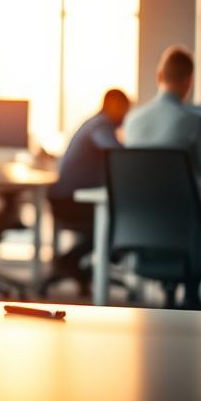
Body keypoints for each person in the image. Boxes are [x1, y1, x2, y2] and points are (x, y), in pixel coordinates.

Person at [123, 45, 201, 310]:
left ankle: (193, 295)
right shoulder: (195, 123)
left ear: (159, 75)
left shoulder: (132, 122)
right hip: (186, 237)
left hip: (142, 236)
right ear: (189, 82)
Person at [46, 89, 129, 293]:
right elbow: (117, 154)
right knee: (115, 225)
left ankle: (77, 265)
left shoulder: (93, 123)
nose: (126, 116)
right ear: (113, 105)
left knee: (114, 223)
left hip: (69, 199)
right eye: (125, 110)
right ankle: (68, 262)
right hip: (69, 201)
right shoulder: (101, 125)